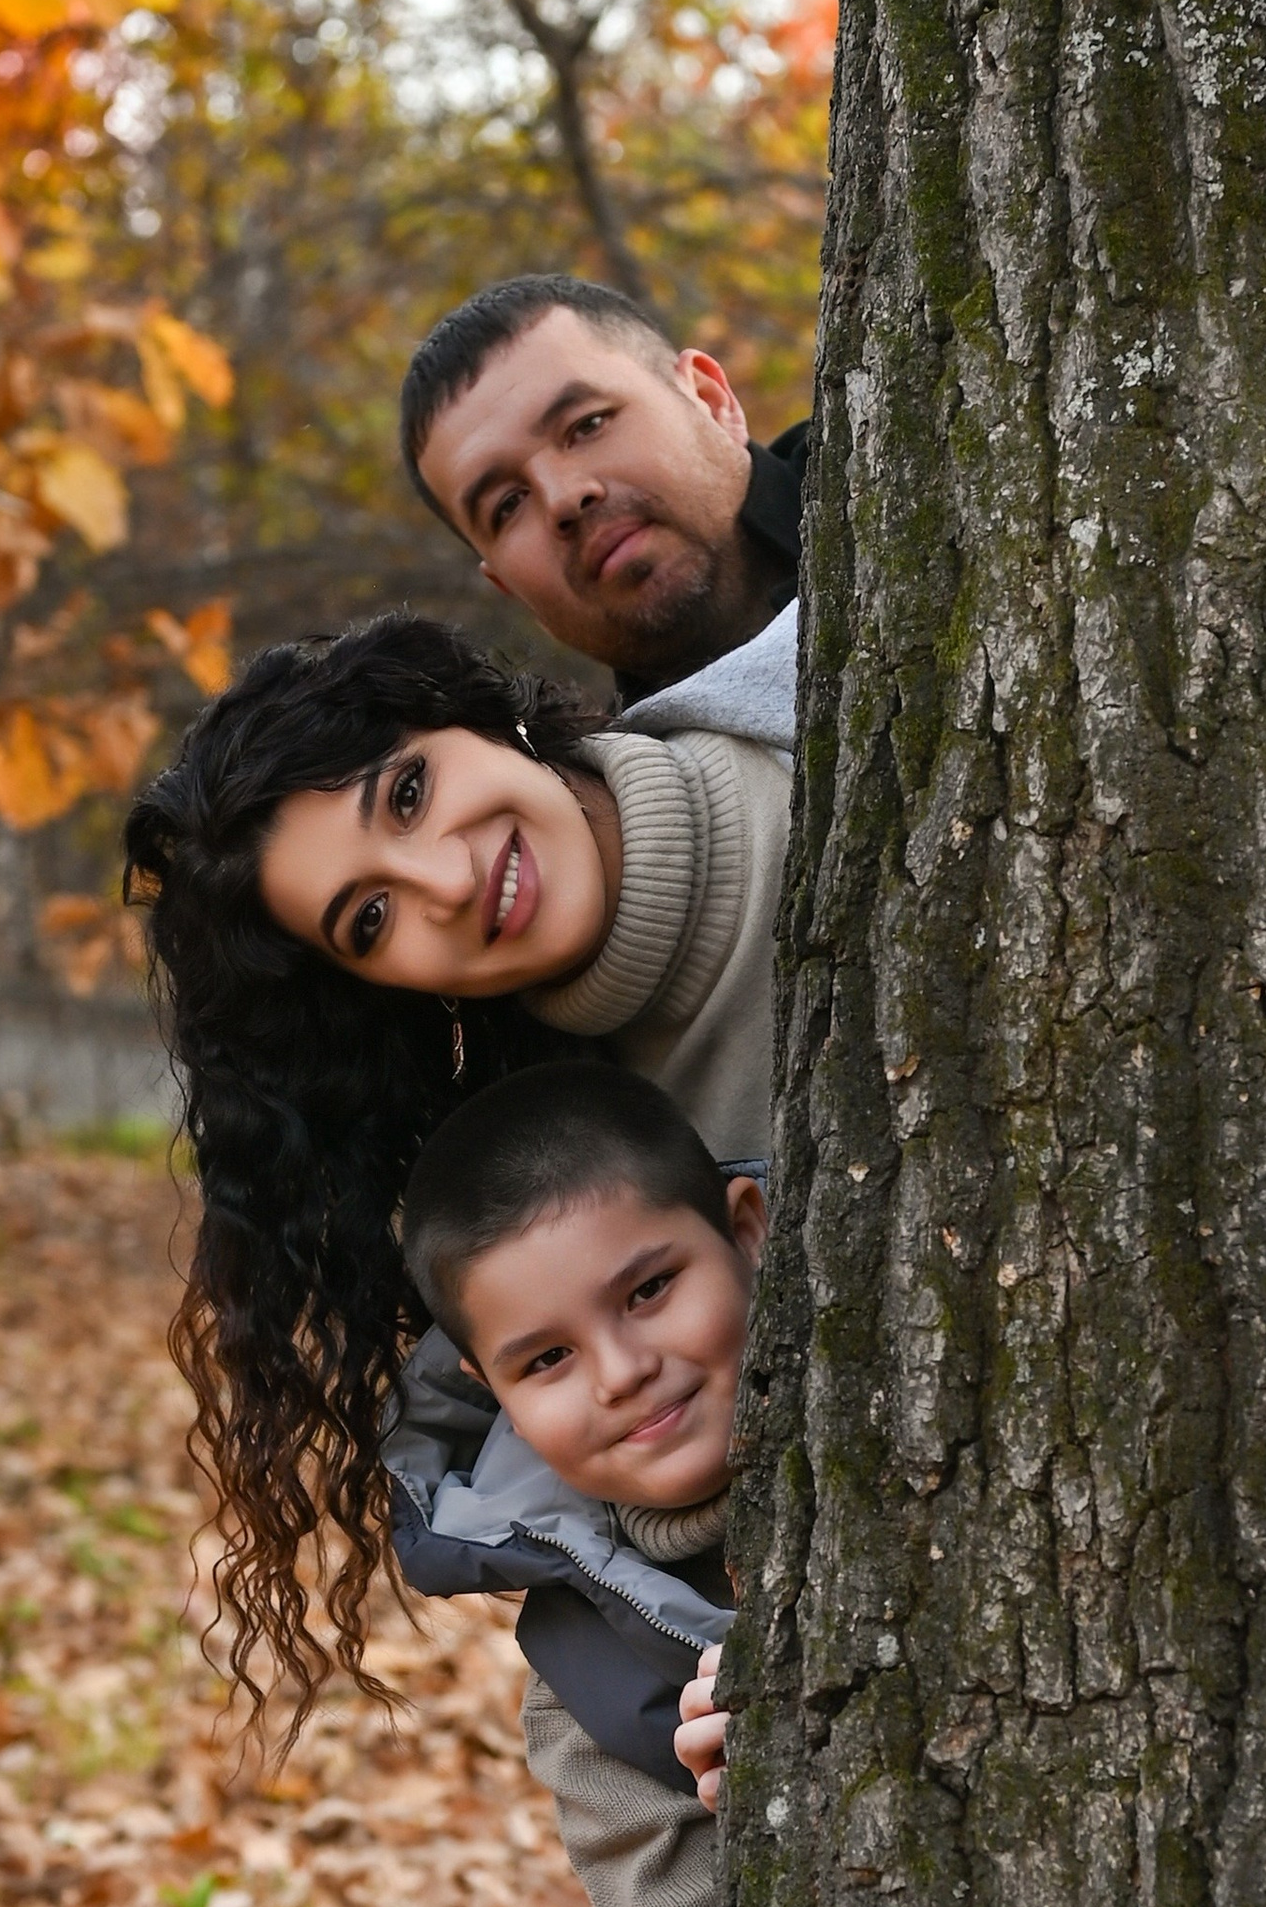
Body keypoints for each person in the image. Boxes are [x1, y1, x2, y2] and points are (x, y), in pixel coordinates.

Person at [123, 612, 788, 1720]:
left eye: (409, 793)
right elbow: (609, 1592)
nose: (445, 880)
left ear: (479, 721)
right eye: (371, 918)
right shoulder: (573, 1167)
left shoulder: (827, 732)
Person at [393, 1067, 750, 1907]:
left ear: (749, 1228)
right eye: (546, 1358)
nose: (621, 1371)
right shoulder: (586, 1697)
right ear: (488, 1392)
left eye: (648, 1292)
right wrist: (783, 1816)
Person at [400, 273, 806, 711]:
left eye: (588, 425)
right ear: (510, 587)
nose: (562, 498)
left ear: (709, 401)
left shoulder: (886, 485)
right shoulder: (613, 779)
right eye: (509, 505)